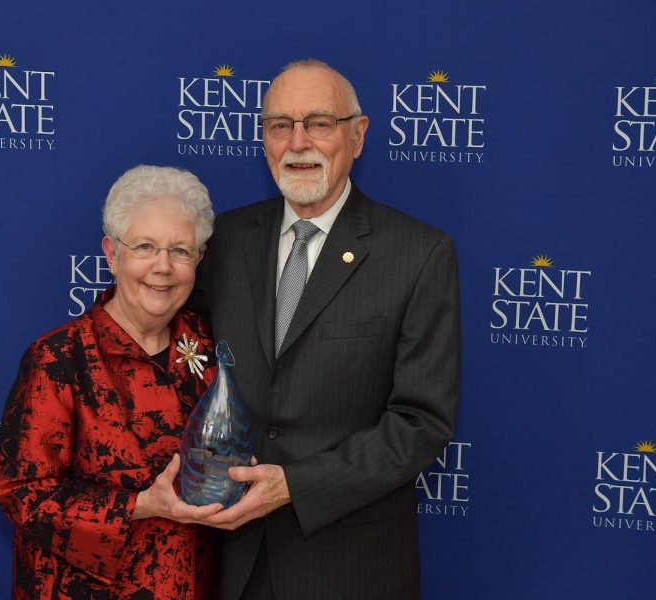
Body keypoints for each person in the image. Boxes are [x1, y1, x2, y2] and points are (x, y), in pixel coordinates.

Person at [196, 59, 461, 599]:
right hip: (229, 564)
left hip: (349, 569)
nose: (298, 142)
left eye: (319, 122)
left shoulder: (418, 254)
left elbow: (420, 422)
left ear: (357, 135)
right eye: (279, 125)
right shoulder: (221, 241)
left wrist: (293, 486)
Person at [0, 165, 223, 599]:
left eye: (180, 250)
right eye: (145, 247)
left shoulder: (214, 345)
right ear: (111, 254)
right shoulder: (59, 358)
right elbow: (21, 493)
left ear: (199, 261)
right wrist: (138, 506)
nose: (163, 267)